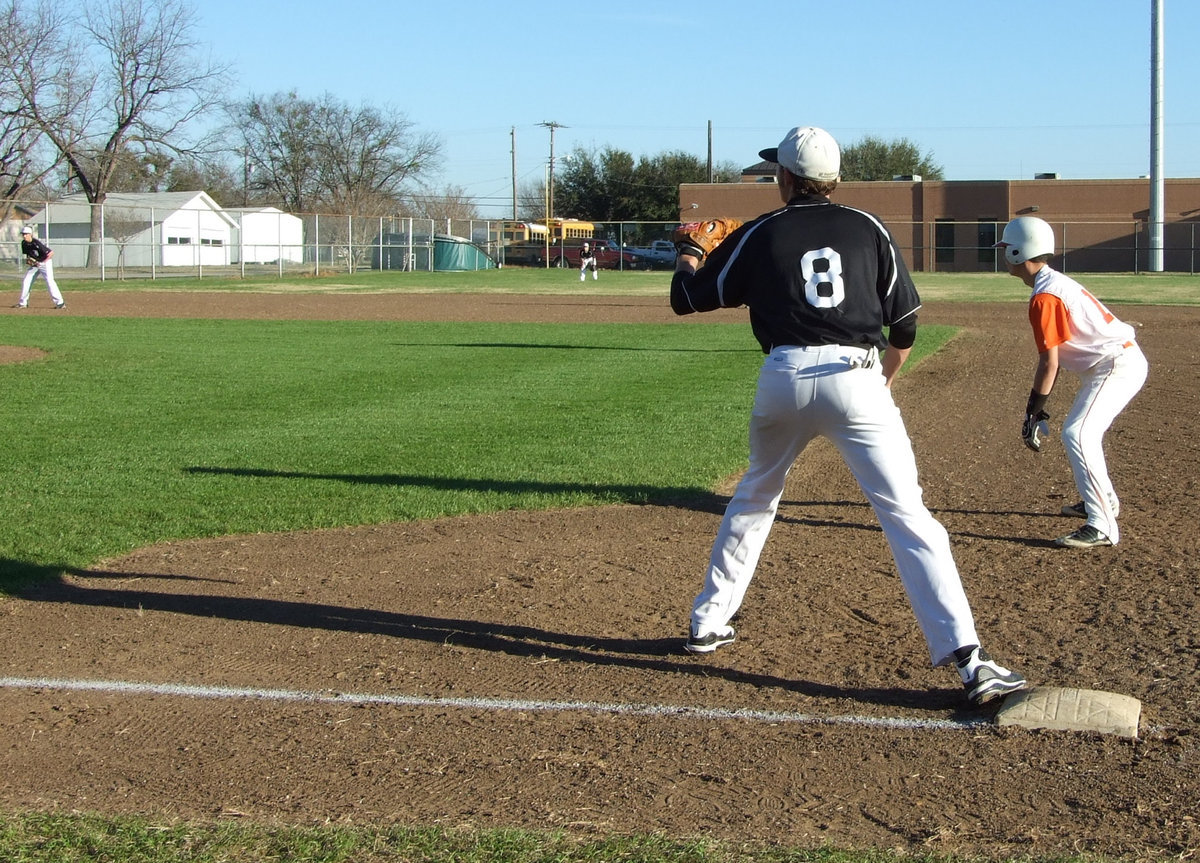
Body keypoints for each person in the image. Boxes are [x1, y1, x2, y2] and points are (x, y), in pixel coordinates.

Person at [670, 125, 1026, 706]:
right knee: (906, 515)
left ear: (785, 177)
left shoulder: (761, 231)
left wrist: (689, 253)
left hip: (783, 377)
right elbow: (906, 320)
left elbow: (686, 300)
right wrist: (881, 380)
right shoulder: (869, 227)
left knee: (756, 495)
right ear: (834, 178)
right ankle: (970, 661)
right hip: (857, 376)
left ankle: (708, 622)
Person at [995, 216, 1148, 549]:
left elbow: (1050, 362)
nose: (1003, 254)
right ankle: (1103, 499)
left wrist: (1033, 412)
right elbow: (1056, 358)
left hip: (1115, 366)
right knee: (1081, 432)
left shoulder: (1044, 298)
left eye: (1006, 248)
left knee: (1078, 433)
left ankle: (1103, 524)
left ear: (1020, 253)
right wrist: (1036, 409)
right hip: (1111, 363)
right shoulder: (1050, 284)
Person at [17, 225, 66, 309]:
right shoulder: (24, 243)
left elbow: (51, 253)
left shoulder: (36, 243)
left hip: (45, 263)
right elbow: (28, 255)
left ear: (30, 234)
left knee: (50, 282)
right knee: (26, 281)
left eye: (26, 234)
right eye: (23, 234)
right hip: (35, 264)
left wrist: (42, 262)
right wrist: (30, 261)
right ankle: (23, 303)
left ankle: (60, 303)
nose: (24, 235)